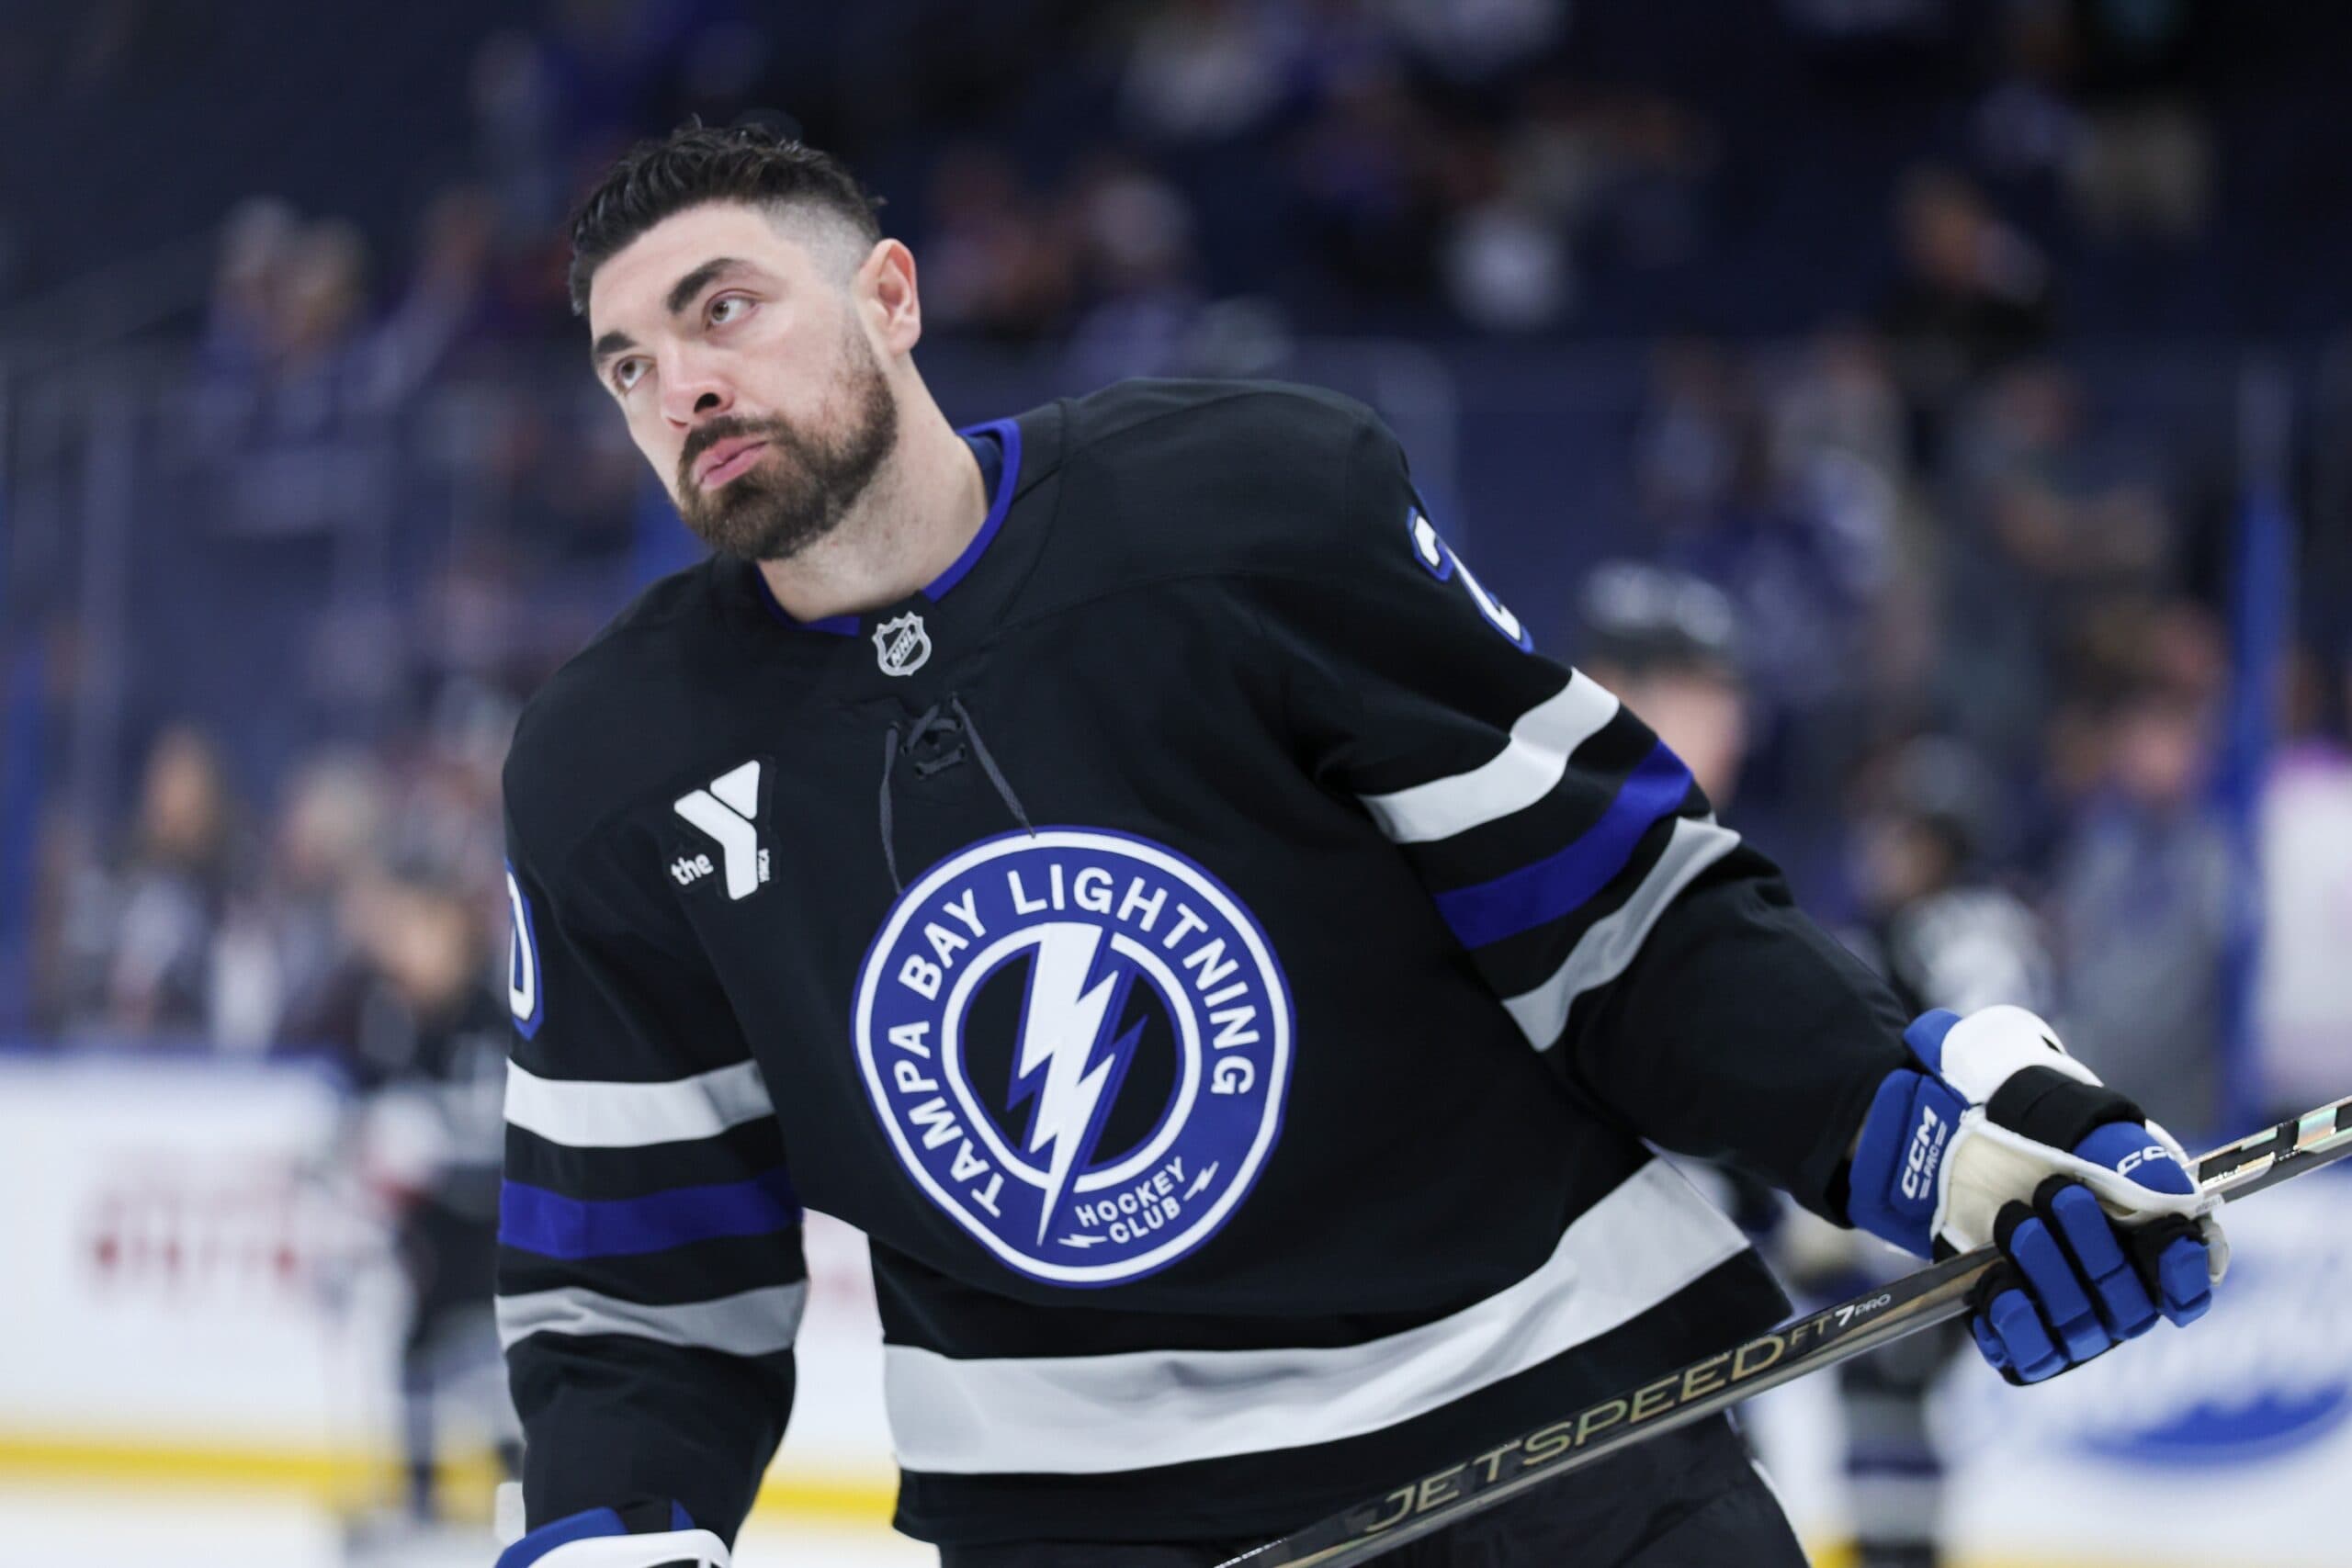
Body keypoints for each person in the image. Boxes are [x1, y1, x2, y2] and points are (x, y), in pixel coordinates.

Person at [493, 123, 2225, 1568]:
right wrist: (609, 1528)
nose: (683, 388)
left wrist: (1922, 1134)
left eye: (724, 311)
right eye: (631, 364)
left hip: (1574, 1451)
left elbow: (1623, 927)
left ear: (892, 296)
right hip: (1088, 1529)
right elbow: (631, 1272)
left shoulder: (1255, 508)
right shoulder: (608, 768)